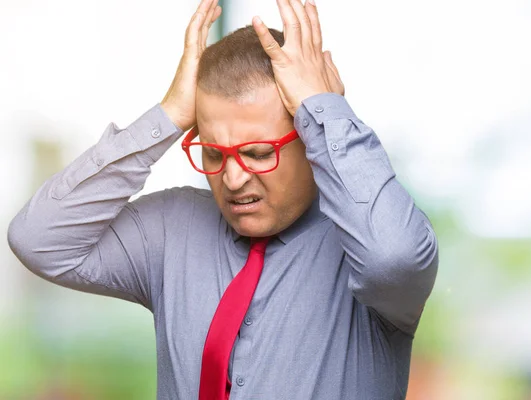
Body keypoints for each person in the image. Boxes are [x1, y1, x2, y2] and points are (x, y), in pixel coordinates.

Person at [7, 0, 439, 398]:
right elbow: (39, 238)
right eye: (214, 153)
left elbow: (395, 259)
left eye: (257, 153)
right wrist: (168, 116)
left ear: (308, 140)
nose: (232, 178)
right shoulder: (173, 228)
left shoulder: (362, 245)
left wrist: (324, 109)